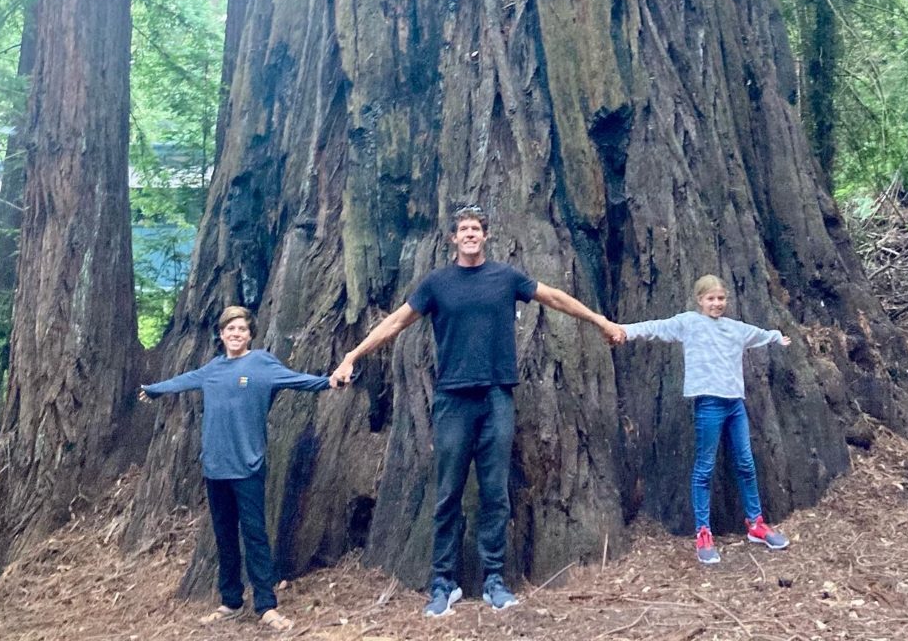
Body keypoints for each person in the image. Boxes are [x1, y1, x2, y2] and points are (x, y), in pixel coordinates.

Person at [329, 204, 626, 617]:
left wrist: (599, 320)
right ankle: (442, 584)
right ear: (453, 238)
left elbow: (554, 297)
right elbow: (396, 321)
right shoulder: (437, 283)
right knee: (448, 494)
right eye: (463, 229)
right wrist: (352, 356)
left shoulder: (506, 277)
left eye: (476, 229)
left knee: (494, 494)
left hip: (496, 397)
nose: (470, 234)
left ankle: (494, 581)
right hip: (452, 400)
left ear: (485, 235)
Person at [140, 305, 331, 632]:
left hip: (248, 467)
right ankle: (230, 600)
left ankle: (266, 605)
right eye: (230, 329)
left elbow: (299, 381)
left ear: (250, 333)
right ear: (222, 334)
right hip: (215, 468)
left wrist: (331, 381)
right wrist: (155, 390)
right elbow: (184, 380)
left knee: (255, 536)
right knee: (224, 537)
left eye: (241, 329)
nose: (235, 334)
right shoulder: (213, 368)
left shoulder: (262, 364)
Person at [619, 274, 791, 565]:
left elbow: (759, 334)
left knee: (746, 464)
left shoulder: (735, 328)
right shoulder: (689, 323)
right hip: (708, 405)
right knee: (705, 468)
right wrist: (623, 330)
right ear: (700, 300)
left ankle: (756, 524)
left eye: (721, 298)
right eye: (711, 298)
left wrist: (776, 337)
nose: (717, 303)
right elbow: (655, 328)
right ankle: (703, 532)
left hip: (735, 405)